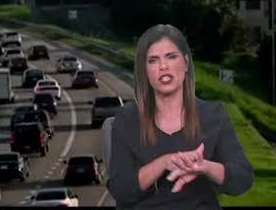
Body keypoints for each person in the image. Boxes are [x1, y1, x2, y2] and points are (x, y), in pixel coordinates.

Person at [107, 24, 253, 208]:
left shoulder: (213, 114)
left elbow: (243, 178)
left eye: (171, 56)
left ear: (185, 63)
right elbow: (120, 190)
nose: (163, 66)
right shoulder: (126, 119)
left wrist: (204, 167)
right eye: (153, 60)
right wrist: (164, 162)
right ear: (144, 71)